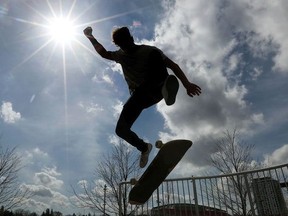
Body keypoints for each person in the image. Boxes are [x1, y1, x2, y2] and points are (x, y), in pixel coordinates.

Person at [83, 26, 201, 168]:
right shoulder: (120, 55)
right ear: (119, 45)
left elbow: (173, 66)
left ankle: (164, 86)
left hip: (156, 87)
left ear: (131, 39)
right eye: (122, 46)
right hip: (140, 96)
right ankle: (144, 147)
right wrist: (90, 36)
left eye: (127, 43)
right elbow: (103, 53)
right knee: (120, 130)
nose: (126, 48)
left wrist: (187, 84)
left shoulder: (150, 51)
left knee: (155, 56)